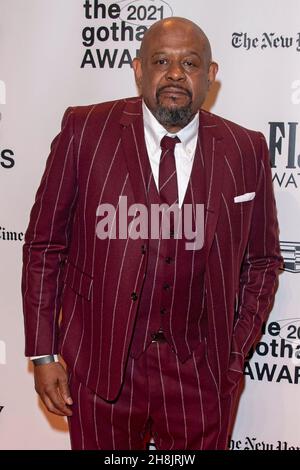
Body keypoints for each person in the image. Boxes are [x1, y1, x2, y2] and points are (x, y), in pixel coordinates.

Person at [22, 17, 282, 450]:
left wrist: (233, 355)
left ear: (210, 76)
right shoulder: (85, 130)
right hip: (102, 368)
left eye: (190, 63)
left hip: (201, 375)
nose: (176, 73)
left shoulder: (245, 147)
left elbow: (263, 262)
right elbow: (45, 245)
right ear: (139, 69)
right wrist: (44, 353)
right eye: (162, 61)